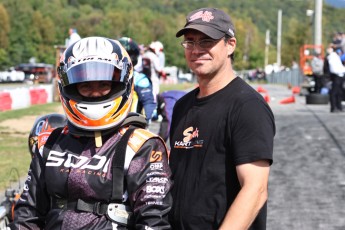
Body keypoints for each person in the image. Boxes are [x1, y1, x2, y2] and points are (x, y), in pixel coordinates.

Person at [9, 37, 172, 229]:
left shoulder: (141, 146)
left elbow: (153, 221)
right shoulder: (51, 142)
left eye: (104, 85)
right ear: (68, 87)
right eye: (85, 86)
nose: (95, 93)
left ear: (123, 84)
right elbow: (27, 214)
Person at [168, 8, 275, 229]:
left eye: (207, 41)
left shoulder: (248, 106)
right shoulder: (182, 106)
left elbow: (255, 190)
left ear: (230, 45)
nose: (196, 50)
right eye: (190, 42)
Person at [118, 37, 157, 124]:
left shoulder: (139, 79)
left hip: (130, 125)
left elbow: (148, 102)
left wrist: (144, 121)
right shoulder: (107, 77)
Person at [326, 45, 345, 113]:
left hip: (340, 75)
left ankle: (339, 106)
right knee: (334, 92)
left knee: (339, 92)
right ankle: (334, 107)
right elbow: (333, 69)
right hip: (336, 76)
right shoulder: (332, 56)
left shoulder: (335, 56)